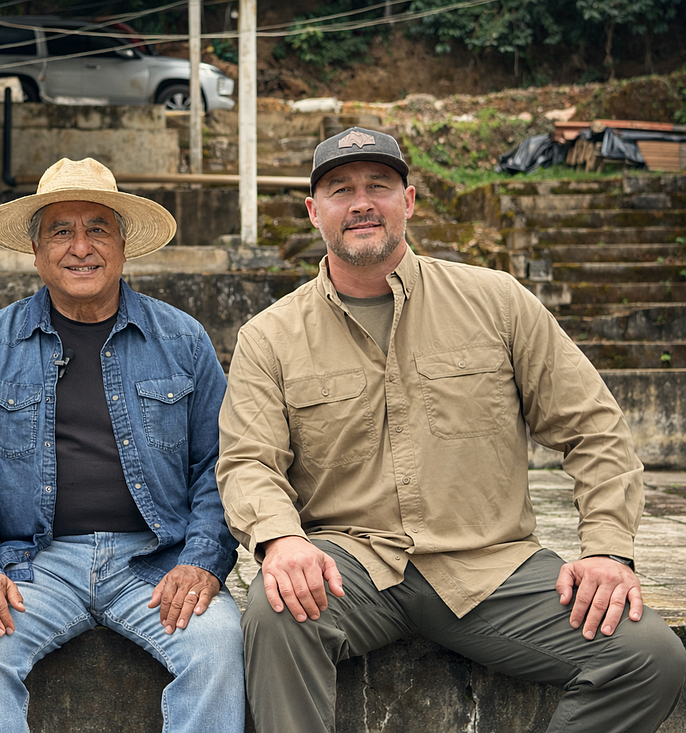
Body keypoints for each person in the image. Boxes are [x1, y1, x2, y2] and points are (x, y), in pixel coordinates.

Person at [217, 128, 686, 733]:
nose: (361, 202)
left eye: (378, 186)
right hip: (353, 566)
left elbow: (594, 428)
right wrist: (279, 541)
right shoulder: (270, 335)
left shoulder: (496, 302)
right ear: (314, 212)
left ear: (408, 201)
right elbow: (249, 461)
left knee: (648, 655)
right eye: (340, 190)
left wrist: (606, 550)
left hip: (492, 567)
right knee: (275, 612)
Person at [0, 157, 244, 733]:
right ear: (36, 253)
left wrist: (203, 561)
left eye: (97, 229)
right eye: (61, 231)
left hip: (154, 563)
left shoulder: (181, 337)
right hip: (36, 566)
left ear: (124, 246)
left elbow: (220, 465)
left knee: (218, 643)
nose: (81, 247)